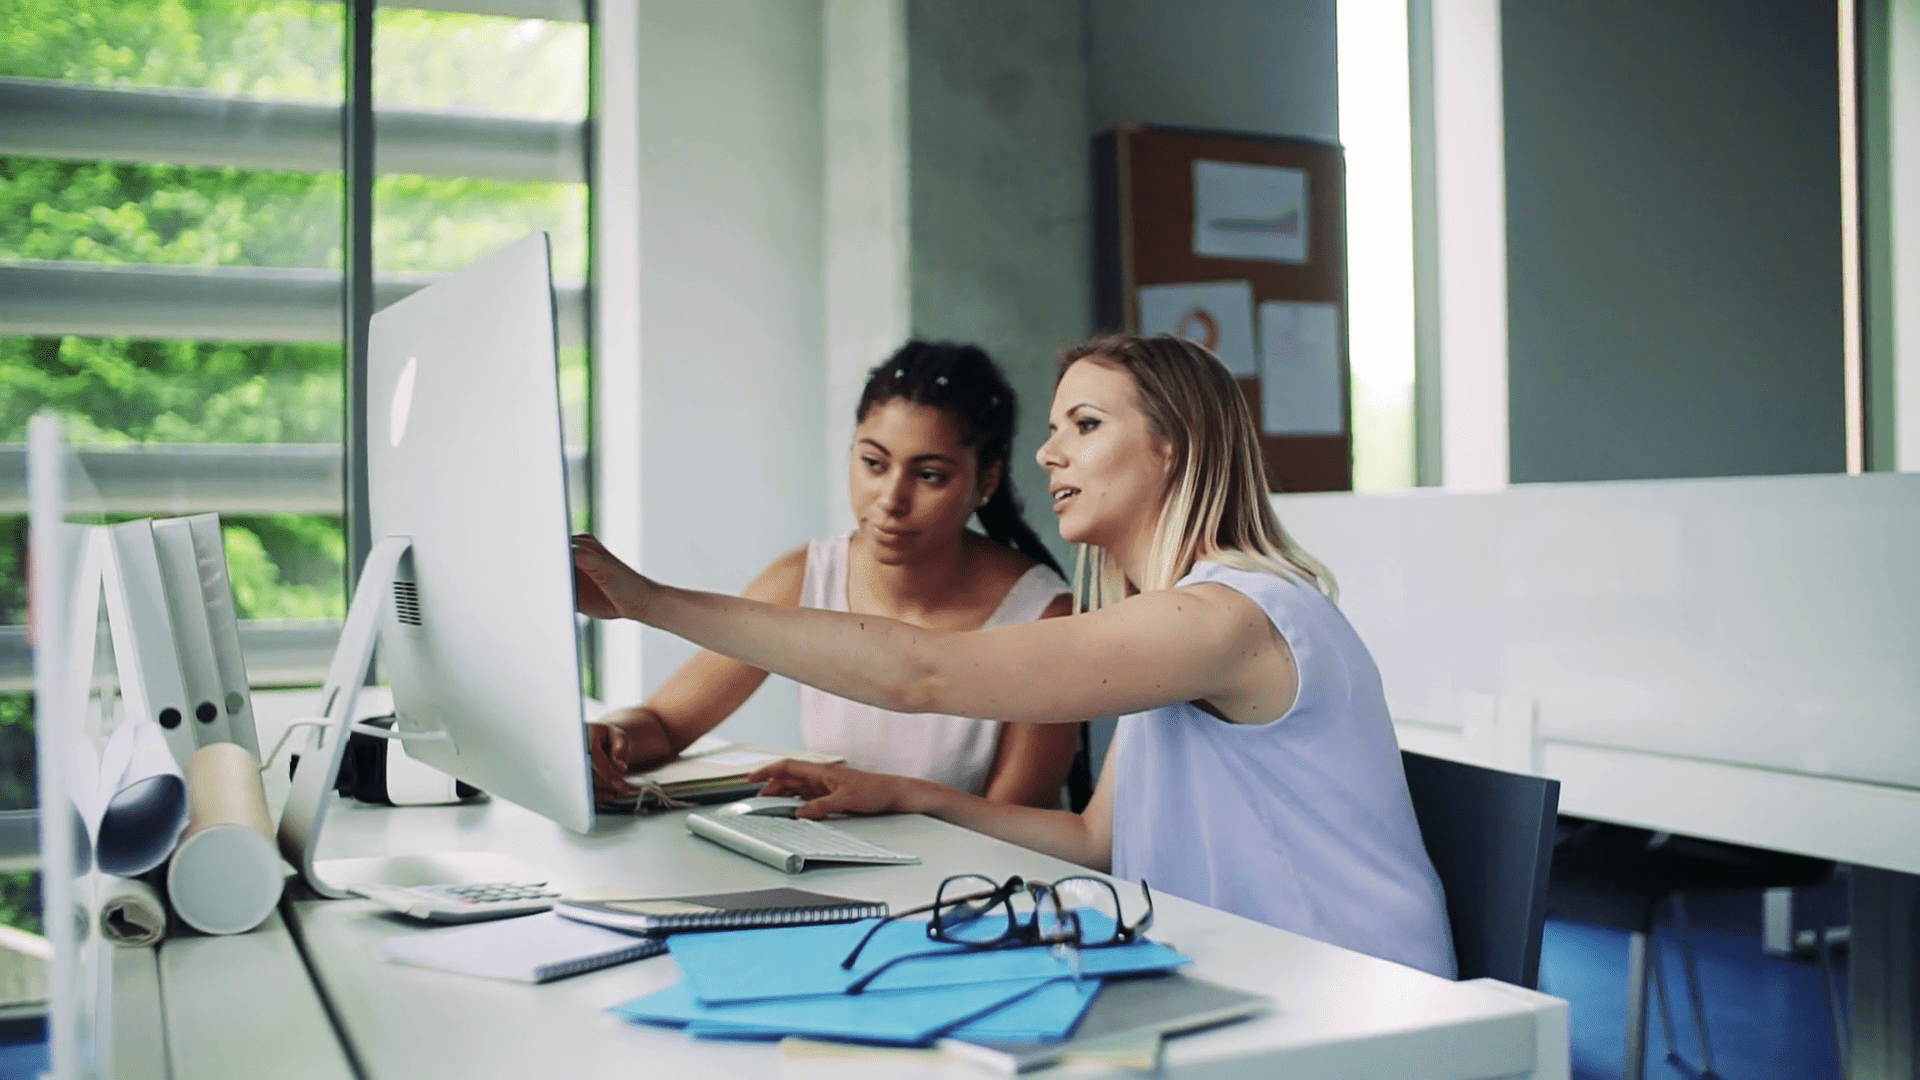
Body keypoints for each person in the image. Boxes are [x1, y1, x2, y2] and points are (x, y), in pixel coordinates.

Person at [572, 334, 1457, 978]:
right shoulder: (1172, 625)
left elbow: (924, 672)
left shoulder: (1224, 618)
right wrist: (906, 794)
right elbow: (1094, 842)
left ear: (1171, 444)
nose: (1047, 451)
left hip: (1356, 997)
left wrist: (645, 601)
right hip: (1260, 979)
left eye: (1084, 423)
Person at [586, 341, 1080, 810]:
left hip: (969, 890)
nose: (891, 499)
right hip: (836, 875)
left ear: (986, 481)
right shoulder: (806, 578)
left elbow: (1013, 830)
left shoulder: (1043, 617)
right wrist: (609, 738)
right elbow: (666, 724)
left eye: (929, 475)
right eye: (873, 463)